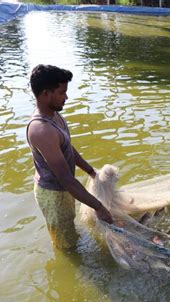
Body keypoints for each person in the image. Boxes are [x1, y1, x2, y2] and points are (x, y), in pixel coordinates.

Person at [27, 64, 113, 250]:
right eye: (62, 92)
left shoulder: (55, 116)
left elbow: (67, 148)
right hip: (53, 195)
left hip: (64, 190)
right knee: (66, 248)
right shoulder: (41, 130)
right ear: (45, 94)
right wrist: (98, 206)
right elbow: (65, 179)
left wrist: (90, 171)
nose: (66, 97)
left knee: (70, 231)